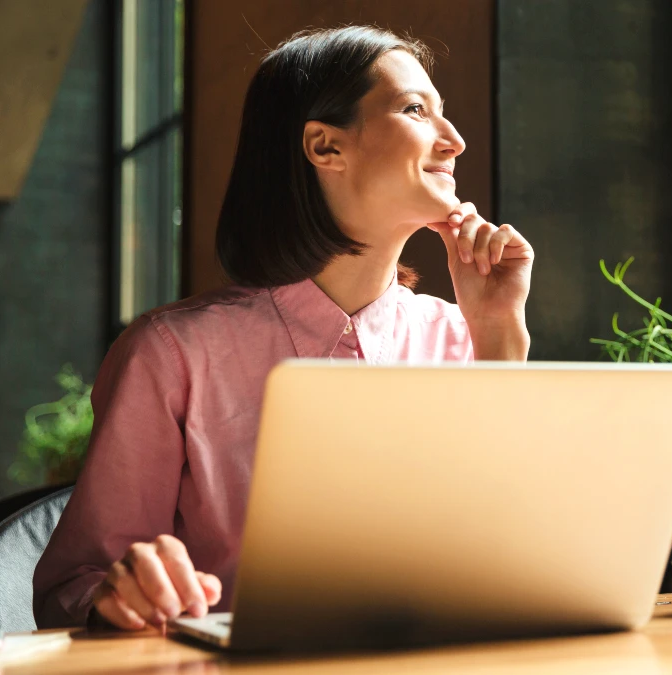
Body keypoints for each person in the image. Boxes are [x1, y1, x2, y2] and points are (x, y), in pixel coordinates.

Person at [32, 25, 533, 630]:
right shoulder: (172, 355)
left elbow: (521, 557)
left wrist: (499, 332)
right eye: (415, 110)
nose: (453, 141)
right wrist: (122, 599)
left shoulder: (465, 338)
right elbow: (70, 589)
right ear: (325, 146)